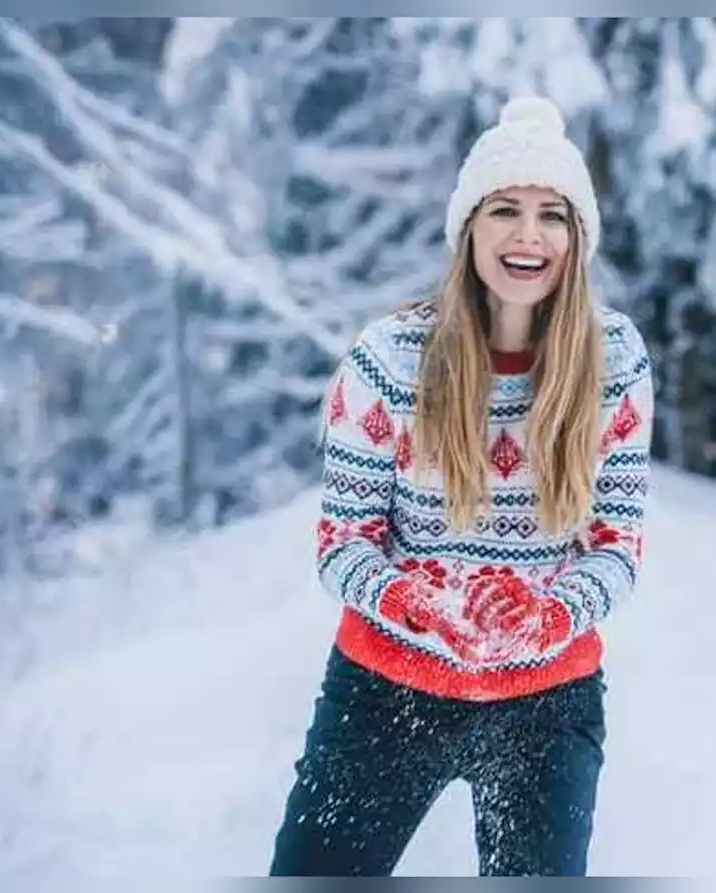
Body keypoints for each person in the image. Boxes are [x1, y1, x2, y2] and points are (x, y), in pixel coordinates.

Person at [268, 95, 654, 878]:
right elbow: (342, 545)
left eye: (553, 216)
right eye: (505, 209)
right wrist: (414, 601)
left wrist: (551, 612)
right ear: (468, 229)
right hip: (386, 691)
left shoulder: (615, 361)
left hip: (546, 703)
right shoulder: (387, 361)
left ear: (577, 240)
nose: (527, 235)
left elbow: (616, 547)